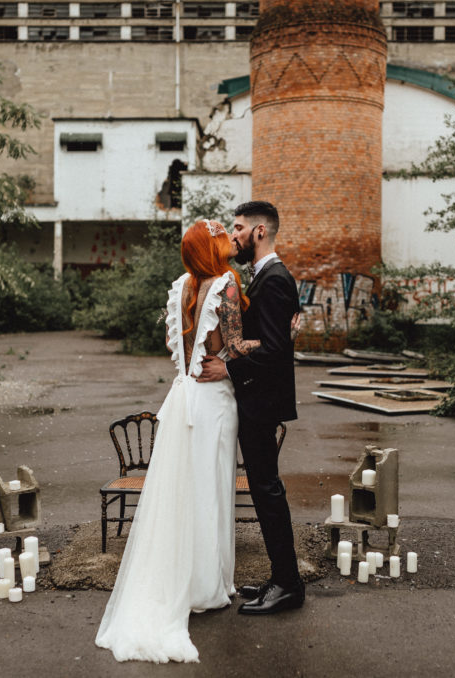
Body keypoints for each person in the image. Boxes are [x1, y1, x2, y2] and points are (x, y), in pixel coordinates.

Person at [95, 219, 259, 663]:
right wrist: (283, 339)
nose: (229, 239)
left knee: (187, 491)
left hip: (185, 395)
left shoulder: (182, 289)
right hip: (214, 401)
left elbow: (188, 349)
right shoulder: (225, 285)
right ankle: (208, 586)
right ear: (211, 248)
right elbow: (238, 344)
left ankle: (190, 580)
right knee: (211, 489)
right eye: (221, 235)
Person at [197, 200, 305, 616]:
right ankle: (280, 578)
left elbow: (276, 351)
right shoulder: (262, 278)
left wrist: (227, 366)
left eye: (239, 228)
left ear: (260, 231)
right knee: (264, 491)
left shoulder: (275, 279)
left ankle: (288, 584)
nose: (234, 235)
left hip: (262, 401)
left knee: (267, 491)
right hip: (256, 397)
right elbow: (272, 337)